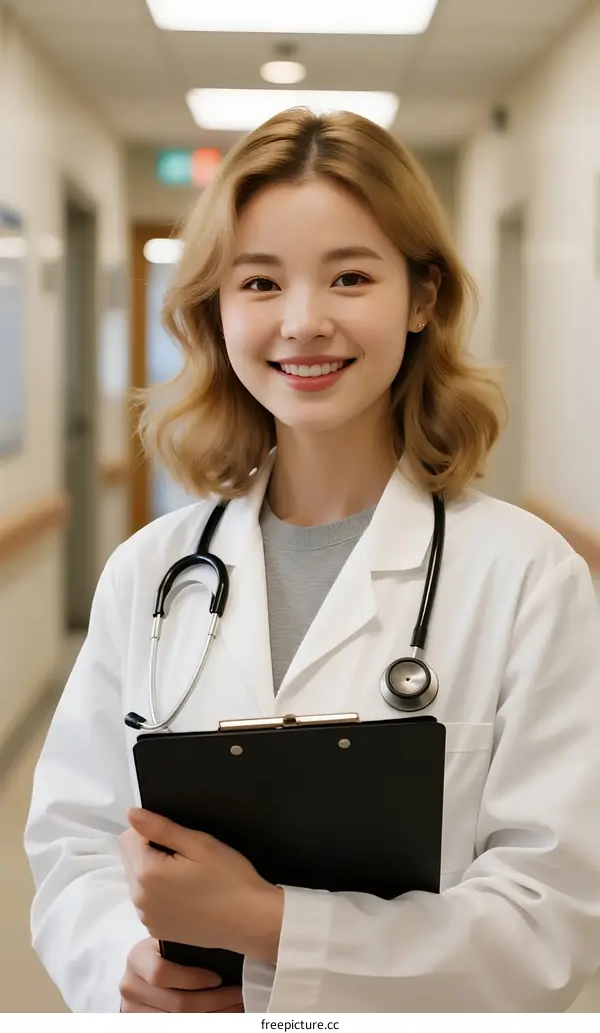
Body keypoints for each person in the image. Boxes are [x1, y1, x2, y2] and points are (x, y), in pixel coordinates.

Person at [24, 108, 600, 1015]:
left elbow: (551, 919)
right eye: (259, 281)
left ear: (422, 299)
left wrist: (271, 924)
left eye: (350, 276)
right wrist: (120, 963)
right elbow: (72, 845)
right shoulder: (150, 572)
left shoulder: (528, 576)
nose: (303, 322)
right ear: (214, 307)